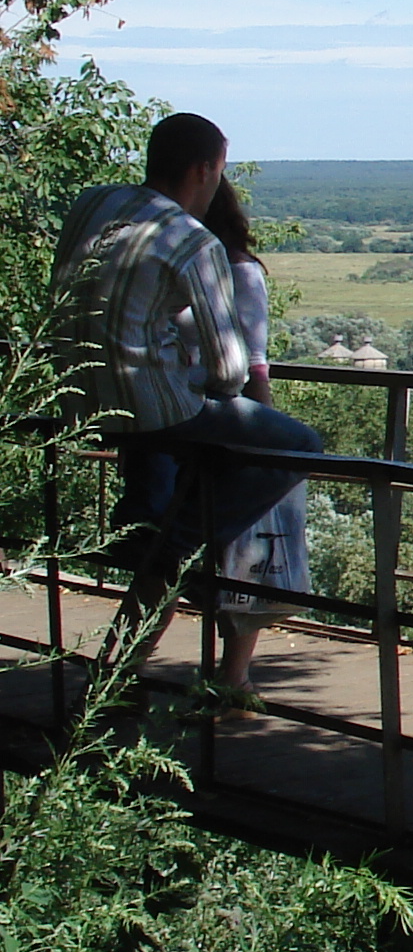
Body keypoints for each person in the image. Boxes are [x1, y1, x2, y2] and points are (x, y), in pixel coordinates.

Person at [52, 112, 325, 675]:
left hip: (75, 400)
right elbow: (229, 372)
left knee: (172, 462)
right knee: (299, 445)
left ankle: (149, 538)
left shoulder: (93, 204)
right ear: (205, 169)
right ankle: (179, 546)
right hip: (152, 409)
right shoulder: (192, 240)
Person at [185, 177, 310, 705]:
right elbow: (254, 362)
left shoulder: (180, 266)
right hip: (229, 426)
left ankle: (122, 677)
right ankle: (233, 679)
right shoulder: (237, 271)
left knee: (178, 548)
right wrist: (269, 434)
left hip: (177, 425)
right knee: (246, 553)